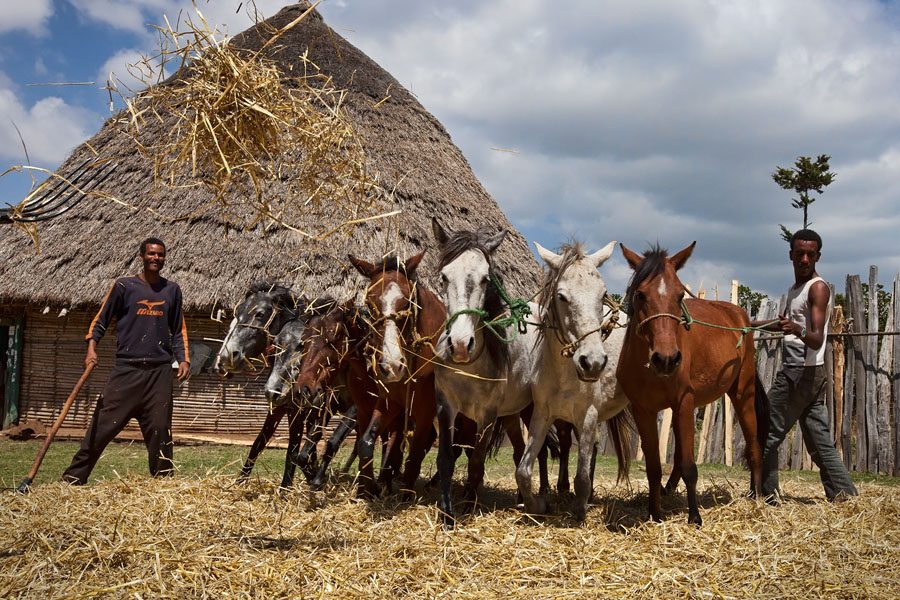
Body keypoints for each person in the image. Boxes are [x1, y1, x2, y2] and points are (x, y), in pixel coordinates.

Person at [62, 237, 190, 484]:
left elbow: (178, 329)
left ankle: (164, 484)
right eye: (151, 254)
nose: (156, 258)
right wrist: (91, 348)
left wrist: (183, 359)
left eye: (160, 254)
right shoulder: (124, 286)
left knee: (161, 430)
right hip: (126, 371)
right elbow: (100, 320)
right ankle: (73, 479)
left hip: (159, 374)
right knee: (101, 427)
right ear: (141, 257)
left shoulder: (172, 290)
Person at [751, 229, 857, 503]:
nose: (805, 259)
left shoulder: (817, 288)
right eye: (800, 254)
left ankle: (766, 497)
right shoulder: (796, 289)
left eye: (810, 254)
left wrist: (796, 328)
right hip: (810, 373)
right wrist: (748, 325)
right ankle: (845, 496)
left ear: (818, 256)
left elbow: (816, 338)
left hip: (799, 373)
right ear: (791, 255)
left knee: (765, 433)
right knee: (820, 442)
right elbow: (784, 325)